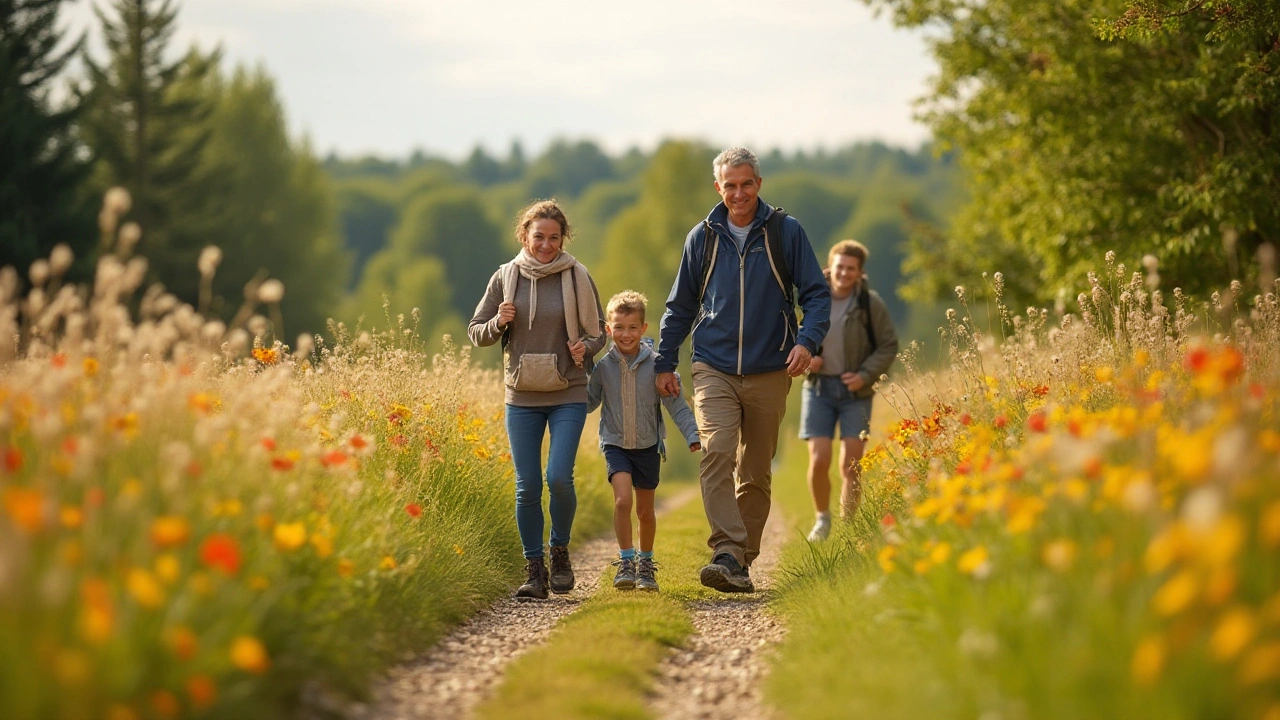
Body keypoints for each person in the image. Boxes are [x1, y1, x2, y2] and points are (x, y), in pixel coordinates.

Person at [655, 147, 831, 593]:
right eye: (730, 185)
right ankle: (727, 550)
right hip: (712, 365)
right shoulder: (703, 236)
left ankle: (739, 561)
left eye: (746, 184)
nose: (739, 193)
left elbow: (816, 294)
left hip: (772, 367)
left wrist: (807, 343)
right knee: (716, 449)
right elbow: (680, 305)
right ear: (719, 188)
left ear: (759, 184)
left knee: (755, 469)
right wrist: (665, 360)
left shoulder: (785, 232)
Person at [468, 199, 606, 600]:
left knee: (559, 477)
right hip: (521, 394)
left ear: (564, 239)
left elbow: (599, 332)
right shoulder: (505, 278)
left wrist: (587, 349)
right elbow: (477, 331)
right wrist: (500, 321)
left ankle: (559, 551)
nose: (546, 245)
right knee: (527, 485)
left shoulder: (578, 275)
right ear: (524, 236)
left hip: (568, 391)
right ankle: (534, 570)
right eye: (539, 237)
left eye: (554, 238)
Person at [587, 290, 701, 592]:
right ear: (608, 330)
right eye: (619, 328)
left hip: (649, 446)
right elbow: (587, 403)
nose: (626, 334)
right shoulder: (602, 368)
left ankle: (646, 564)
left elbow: (677, 406)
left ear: (644, 329)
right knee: (623, 500)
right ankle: (626, 561)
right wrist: (581, 368)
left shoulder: (657, 366)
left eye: (633, 327)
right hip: (615, 444)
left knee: (645, 512)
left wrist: (692, 435)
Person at [801, 240, 899, 542]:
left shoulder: (871, 305)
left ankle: (848, 526)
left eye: (851, 269)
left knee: (851, 465)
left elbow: (888, 346)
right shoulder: (812, 299)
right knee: (819, 460)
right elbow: (791, 333)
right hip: (818, 389)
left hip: (855, 391)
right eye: (840, 267)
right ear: (830, 267)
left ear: (859, 273)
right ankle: (822, 519)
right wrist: (807, 359)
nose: (844, 273)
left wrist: (865, 375)